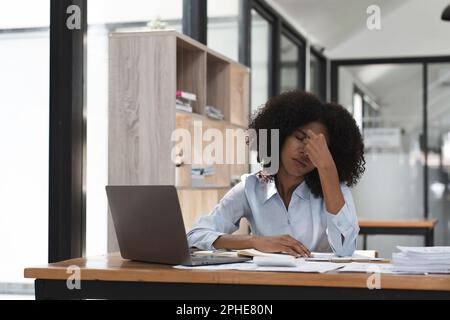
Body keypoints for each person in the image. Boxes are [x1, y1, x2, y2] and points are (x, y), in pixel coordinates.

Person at [187, 90, 365, 257]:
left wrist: (327, 168)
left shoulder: (334, 190)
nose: (305, 151)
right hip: (266, 287)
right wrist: (254, 241)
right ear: (280, 135)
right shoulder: (252, 188)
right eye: (300, 138)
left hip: (319, 287)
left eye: (318, 147)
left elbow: (345, 249)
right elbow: (195, 237)